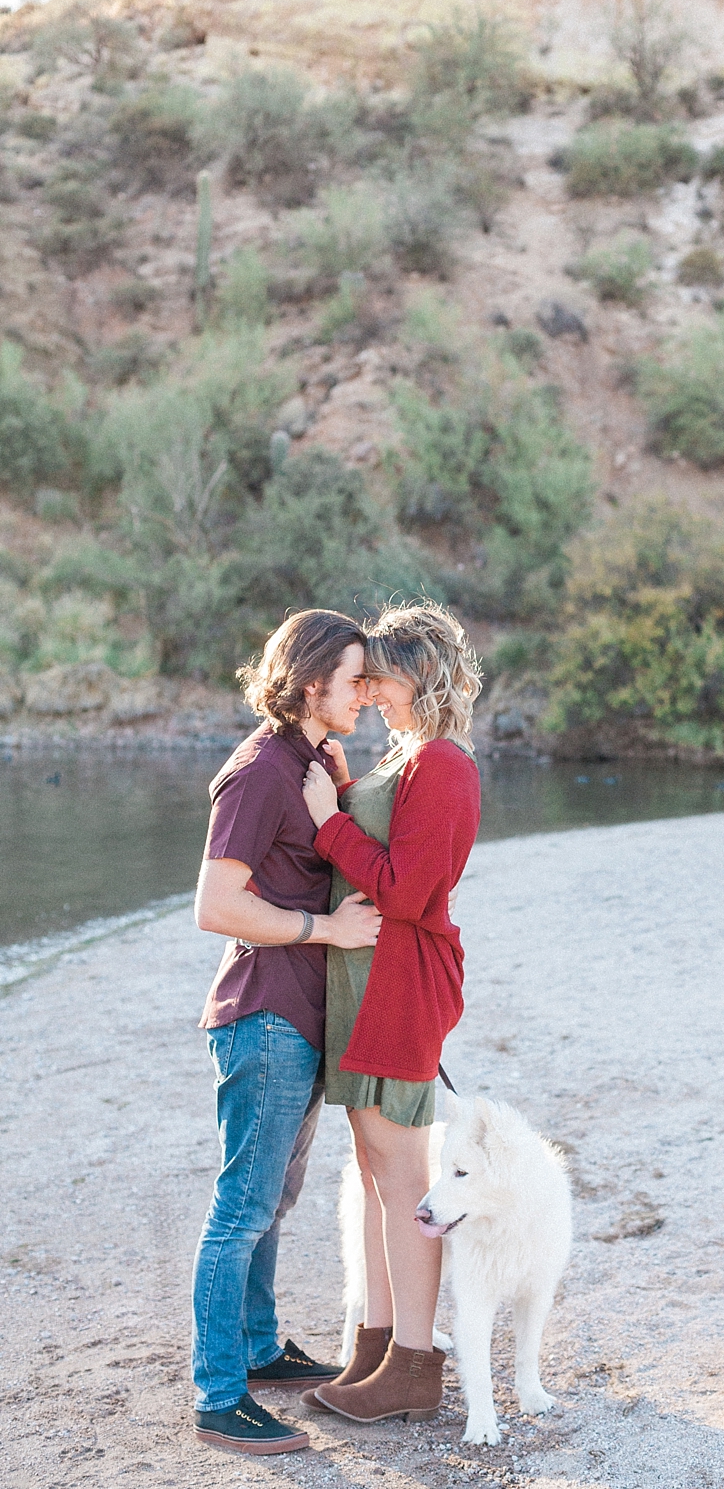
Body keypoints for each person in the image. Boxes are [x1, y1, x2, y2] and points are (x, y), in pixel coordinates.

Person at [190, 609, 383, 1457]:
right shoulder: (262, 770)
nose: (368, 695)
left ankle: (261, 1353)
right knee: (241, 1211)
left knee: (273, 1203)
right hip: (264, 1015)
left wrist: (337, 787)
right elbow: (216, 905)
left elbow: (303, 861)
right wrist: (325, 933)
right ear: (313, 684)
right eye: (354, 681)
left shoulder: (302, 762)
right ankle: (219, 1394)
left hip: (295, 1020)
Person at [297, 600, 482, 1425]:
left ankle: (414, 1362)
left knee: (402, 1176)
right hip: (369, 978)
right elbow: (390, 845)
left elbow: (405, 890)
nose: (366, 687)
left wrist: (329, 823)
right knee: (375, 1172)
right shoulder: (409, 755)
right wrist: (343, 787)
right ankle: (376, 1348)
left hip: (401, 981)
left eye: (377, 673)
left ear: (418, 673)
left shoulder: (443, 762)